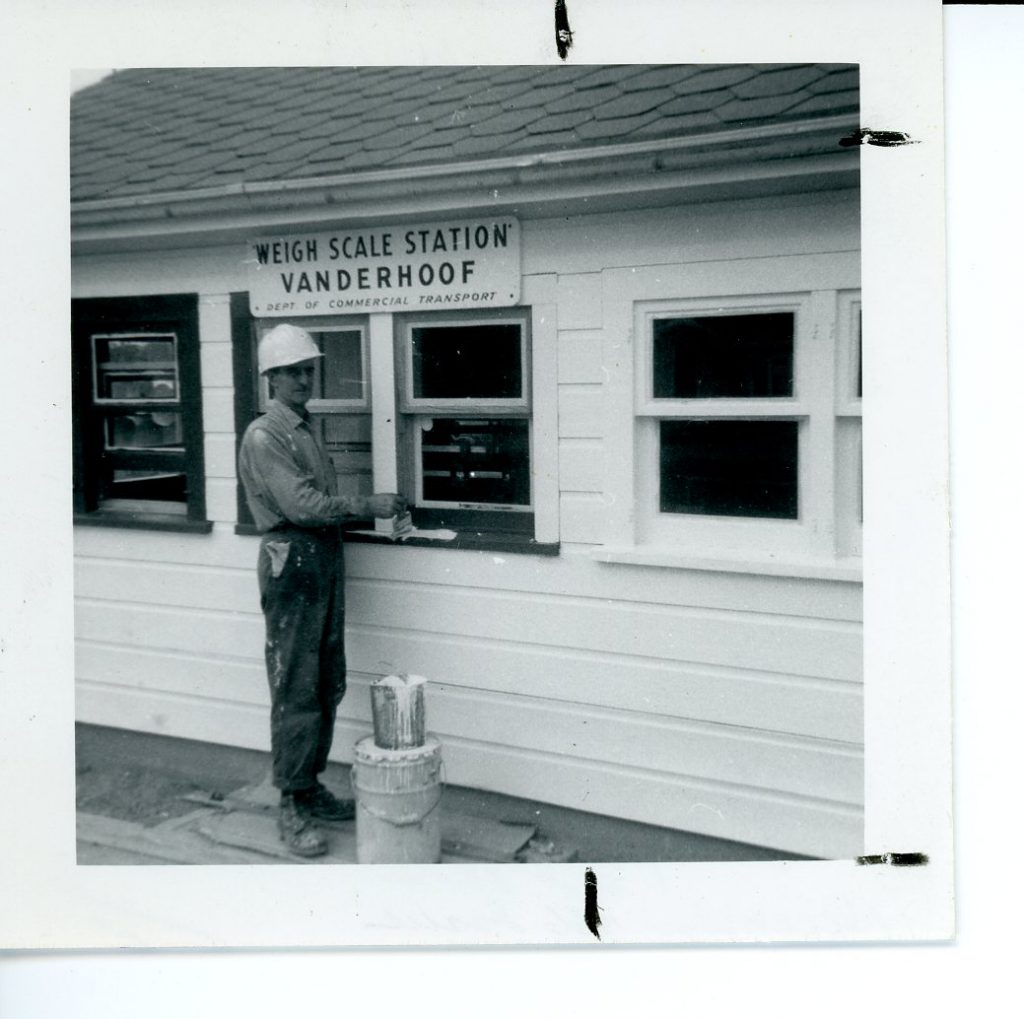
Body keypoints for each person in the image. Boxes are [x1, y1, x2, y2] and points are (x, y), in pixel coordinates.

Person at [238, 323, 406, 857]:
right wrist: (368, 505)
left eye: (307, 370)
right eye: (291, 372)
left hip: (324, 558)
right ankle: (290, 803)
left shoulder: (305, 429)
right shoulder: (266, 435)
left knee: (326, 678)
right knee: (296, 686)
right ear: (271, 378)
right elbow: (302, 507)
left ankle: (309, 786)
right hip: (292, 559)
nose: (302, 380)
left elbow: (317, 505)